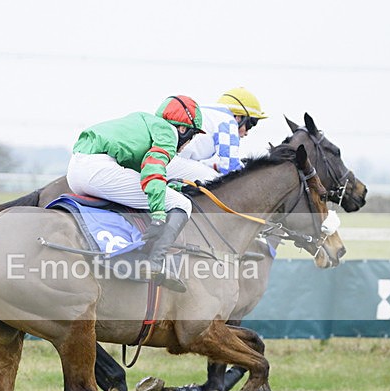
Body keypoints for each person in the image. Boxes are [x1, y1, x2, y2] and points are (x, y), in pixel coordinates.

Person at [66, 95, 205, 292]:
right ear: (183, 129)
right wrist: (158, 215)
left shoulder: (146, 122)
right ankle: (155, 263)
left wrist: (169, 187)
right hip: (98, 170)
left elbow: (139, 173)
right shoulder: (168, 132)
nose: (188, 143)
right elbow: (152, 169)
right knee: (182, 204)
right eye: (192, 136)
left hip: (75, 171)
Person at [167, 86, 268, 184]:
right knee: (214, 181)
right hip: (169, 162)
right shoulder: (228, 121)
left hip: (165, 159)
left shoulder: (211, 113)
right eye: (251, 124)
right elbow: (230, 167)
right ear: (238, 117)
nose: (246, 133)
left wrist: (216, 166)